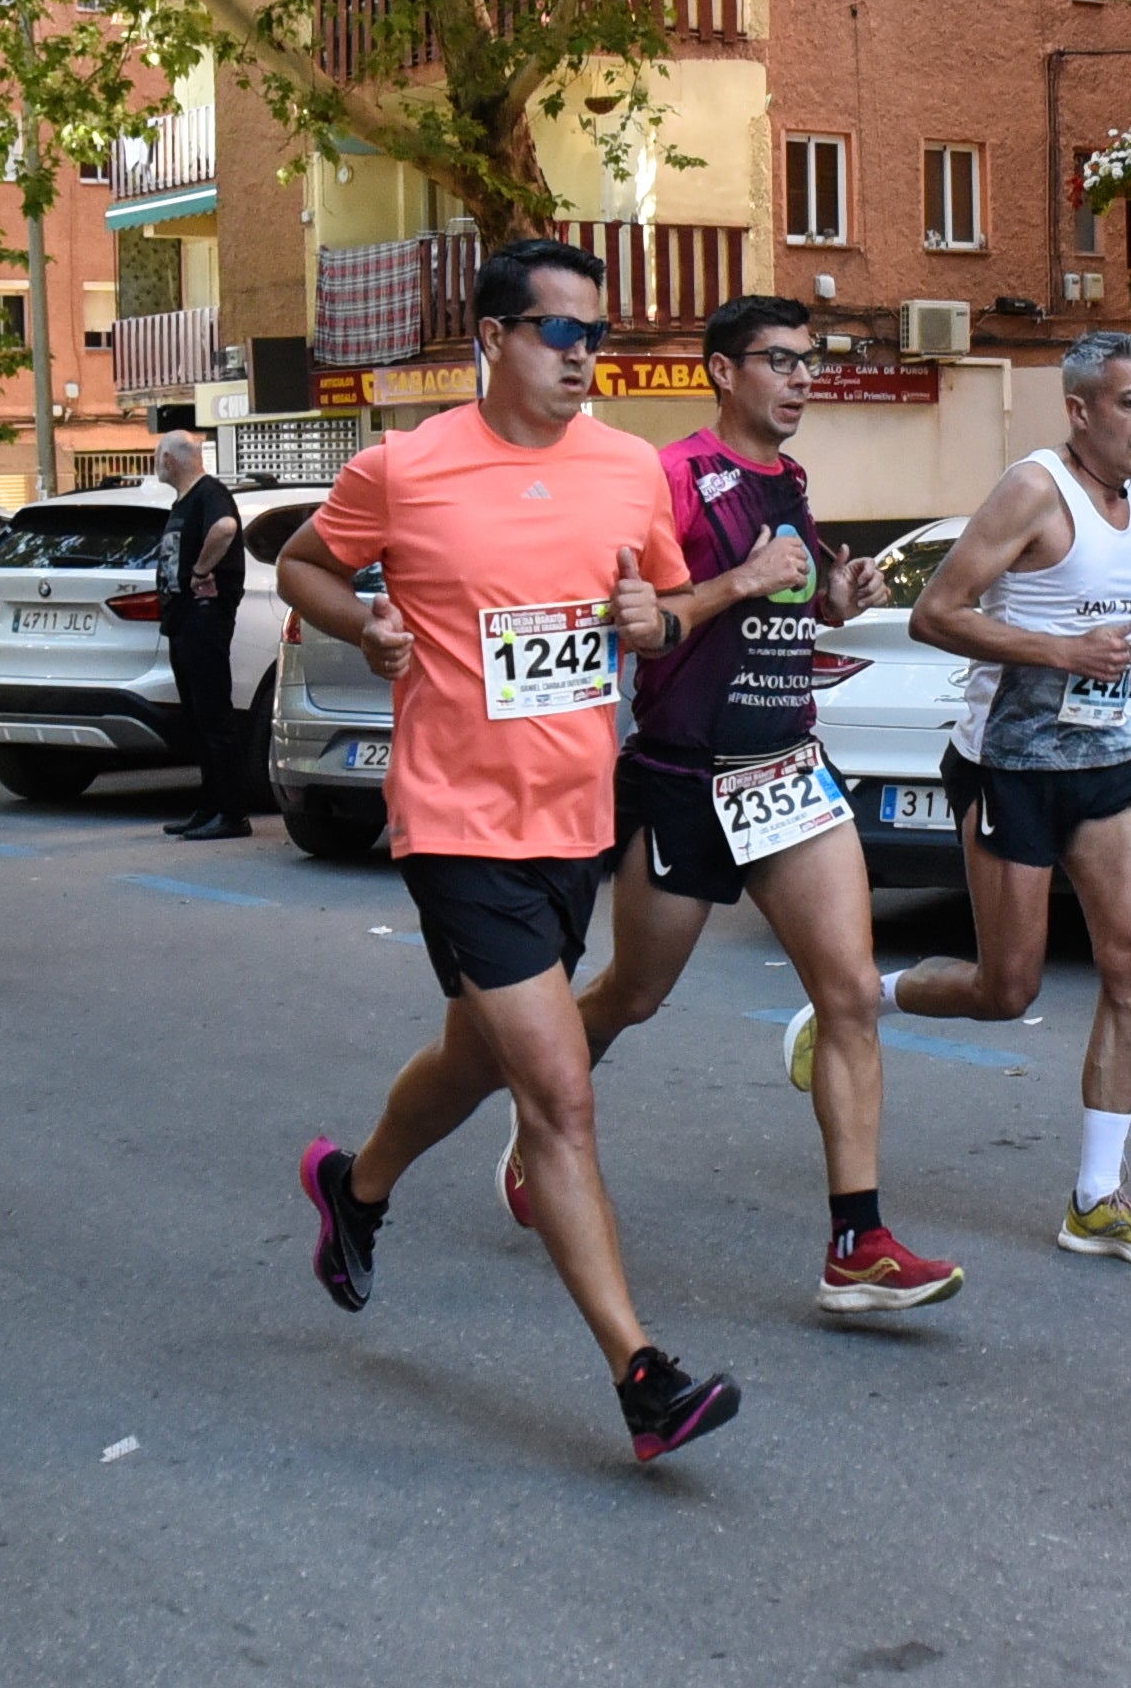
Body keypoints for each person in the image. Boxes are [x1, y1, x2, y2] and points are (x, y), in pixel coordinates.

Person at [273, 238, 742, 1462]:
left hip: (573, 817)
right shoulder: (407, 467)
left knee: (473, 1054)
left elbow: (664, 600)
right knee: (558, 1092)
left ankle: (355, 1186)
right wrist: (364, 618)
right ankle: (644, 1376)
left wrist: (660, 613)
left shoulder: (631, 470)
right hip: (455, 818)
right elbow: (304, 564)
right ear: (493, 338)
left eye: (597, 334)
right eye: (560, 333)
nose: (586, 356)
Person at [490, 295, 964, 1314]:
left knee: (846, 994)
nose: (800, 379)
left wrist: (836, 595)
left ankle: (857, 1242)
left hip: (787, 766)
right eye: (778, 361)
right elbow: (642, 628)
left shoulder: (787, 480)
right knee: (631, 993)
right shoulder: (669, 478)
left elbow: (791, 596)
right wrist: (744, 579)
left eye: (807, 362)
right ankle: (539, 1116)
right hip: (686, 774)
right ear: (720, 369)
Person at [866, 330, 1131, 1266]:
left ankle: (1097, 1197)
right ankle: (863, 999)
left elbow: (1104, 625)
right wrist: (1061, 654)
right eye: (1129, 402)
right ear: (1080, 410)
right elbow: (937, 613)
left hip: (1099, 759)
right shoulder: (1032, 489)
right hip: (1008, 765)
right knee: (1005, 989)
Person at [152, 430, 249, 840]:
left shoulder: (210, 494)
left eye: (157, 457)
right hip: (182, 620)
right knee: (196, 718)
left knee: (213, 717)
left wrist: (201, 571)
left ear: (171, 460)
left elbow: (225, 528)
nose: (155, 464)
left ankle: (231, 814)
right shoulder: (184, 502)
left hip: (205, 618)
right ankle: (208, 807)